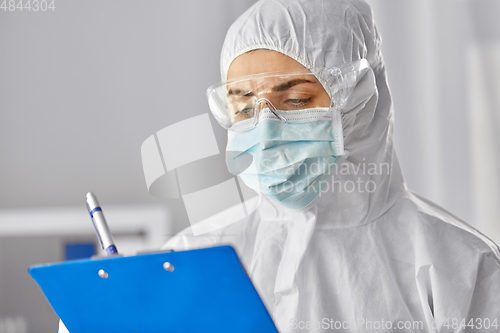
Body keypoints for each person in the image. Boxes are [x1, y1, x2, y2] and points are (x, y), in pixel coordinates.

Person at [162, 0, 500, 332]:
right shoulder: (192, 258)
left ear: (361, 96)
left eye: (296, 100)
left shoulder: (463, 266)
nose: (265, 134)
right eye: (245, 108)